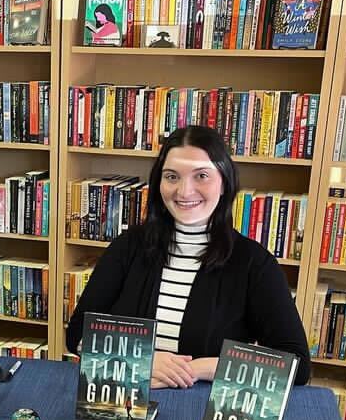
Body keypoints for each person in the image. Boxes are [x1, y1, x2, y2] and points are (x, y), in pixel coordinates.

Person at [65, 124, 311, 389]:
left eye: (201, 176)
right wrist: (141, 360)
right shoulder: (128, 247)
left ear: (224, 182)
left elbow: (297, 365)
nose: (184, 192)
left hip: (201, 408)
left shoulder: (254, 263)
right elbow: (77, 333)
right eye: (172, 176)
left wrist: (198, 368)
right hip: (126, 397)